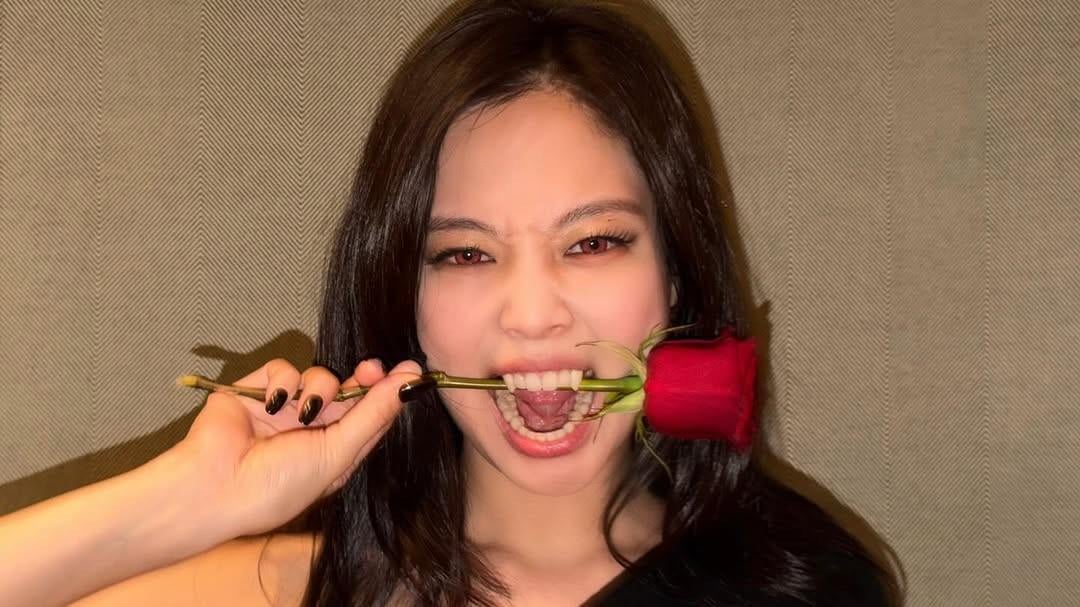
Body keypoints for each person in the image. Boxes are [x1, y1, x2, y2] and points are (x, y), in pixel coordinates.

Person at [0, 0, 900, 605]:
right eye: (466, 253)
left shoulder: (806, 588)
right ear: (407, 298)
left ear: (676, 274)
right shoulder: (298, 589)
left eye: (593, 242)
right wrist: (189, 500)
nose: (533, 314)